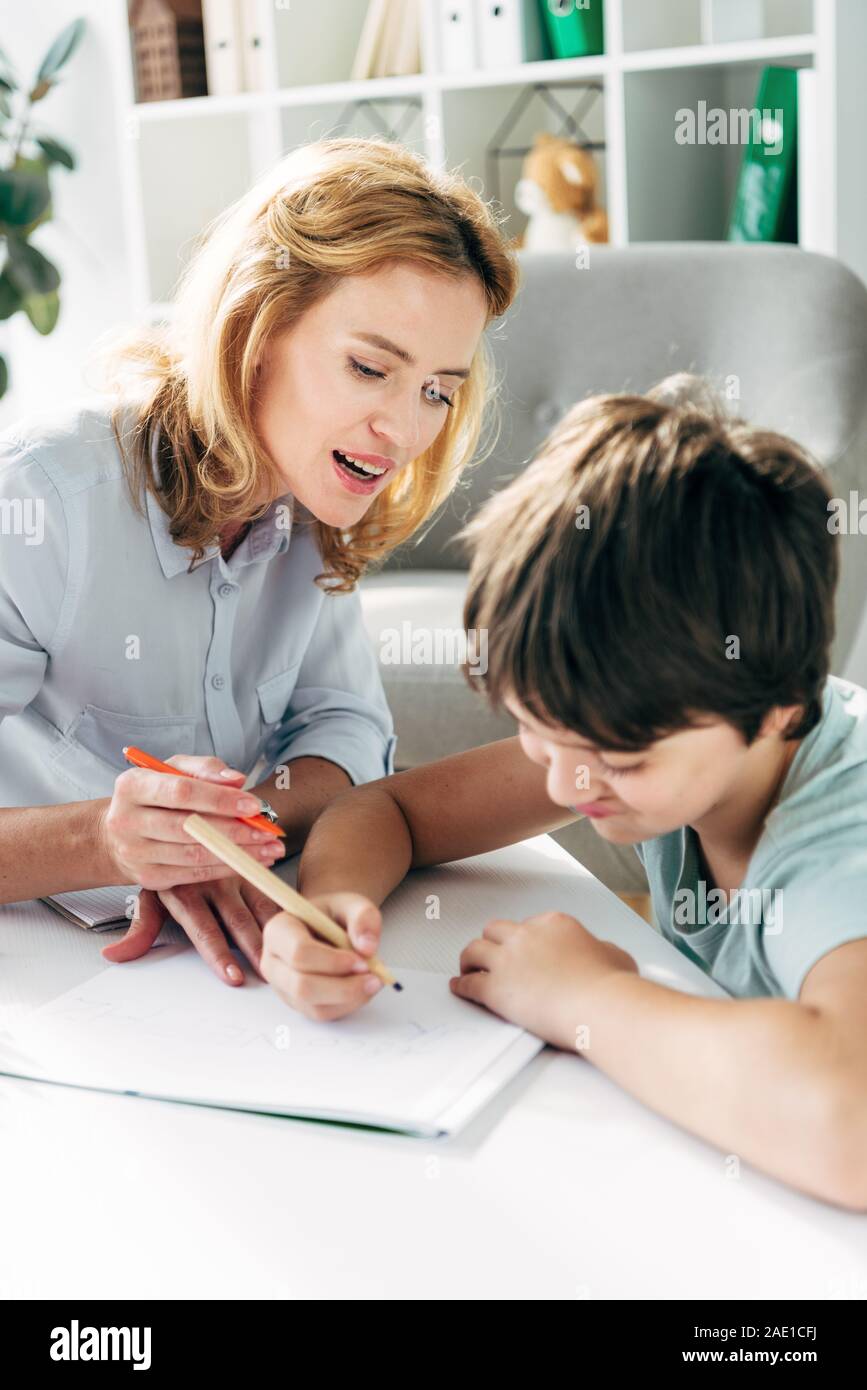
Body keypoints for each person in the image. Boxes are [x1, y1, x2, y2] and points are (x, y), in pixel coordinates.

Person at [262, 380, 867, 1206]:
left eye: (616, 759)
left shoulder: (837, 840)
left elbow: (849, 1126)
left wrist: (586, 997)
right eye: (540, 730)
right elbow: (387, 809)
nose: (565, 782)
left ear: (776, 713)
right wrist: (330, 905)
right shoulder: (649, 729)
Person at [0, 136, 518, 987]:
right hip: (48, 964)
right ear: (256, 327)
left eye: (436, 389)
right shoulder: (46, 499)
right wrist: (107, 838)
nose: (406, 429)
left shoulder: (313, 499)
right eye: (368, 368)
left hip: (218, 952)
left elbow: (345, 729)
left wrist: (226, 829)